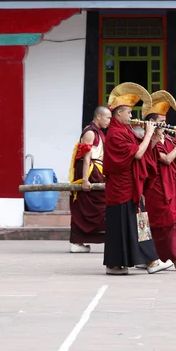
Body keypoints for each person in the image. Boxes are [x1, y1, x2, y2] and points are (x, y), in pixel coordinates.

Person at [103, 82, 172, 276]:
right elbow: (138, 155)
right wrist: (149, 133)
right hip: (121, 188)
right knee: (126, 226)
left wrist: (155, 139)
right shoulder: (116, 134)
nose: (132, 117)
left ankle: (125, 264)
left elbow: (142, 152)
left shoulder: (126, 131)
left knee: (136, 224)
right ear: (119, 114)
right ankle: (145, 262)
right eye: (129, 113)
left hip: (130, 186)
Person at [143, 91, 176, 271]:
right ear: (152, 122)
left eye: (165, 121)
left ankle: (162, 256)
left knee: (172, 222)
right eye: (161, 121)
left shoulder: (169, 138)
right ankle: (175, 259)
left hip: (170, 185)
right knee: (163, 223)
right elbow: (166, 159)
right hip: (156, 187)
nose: (165, 124)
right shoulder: (149, 139)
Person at [68, 106, 111, 253]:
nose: (109, 121)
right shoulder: (91, 133)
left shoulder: (97, 132)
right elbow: (86, 157)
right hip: (91, 173)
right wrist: (85, 180)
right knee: (93, 204)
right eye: (108, 118)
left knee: (99, 205)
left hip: (97, 172)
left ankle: (81, 241)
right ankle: (77, 242)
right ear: (98, 117)